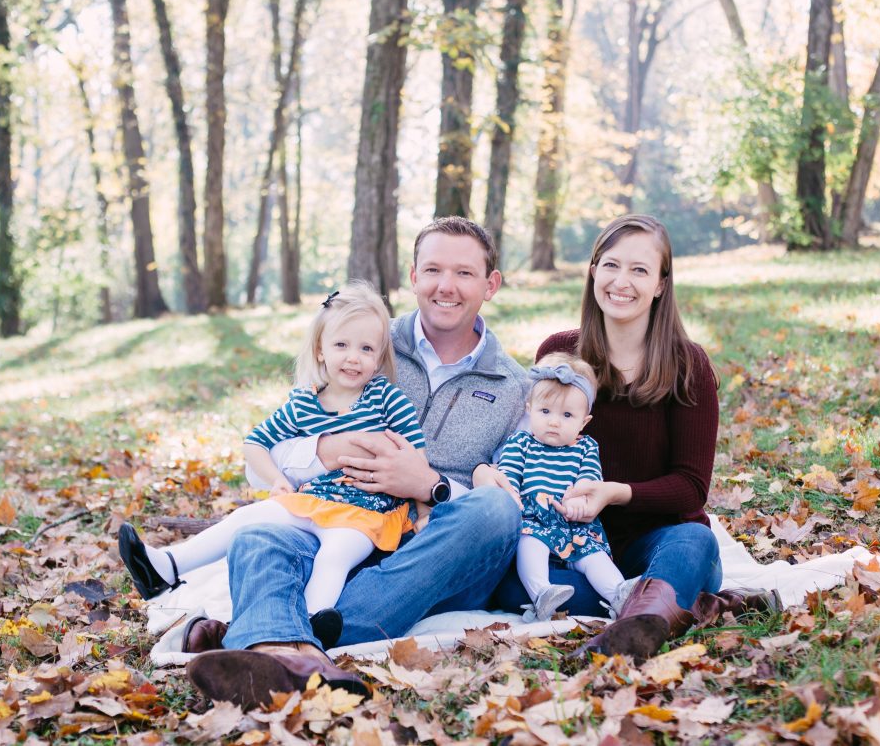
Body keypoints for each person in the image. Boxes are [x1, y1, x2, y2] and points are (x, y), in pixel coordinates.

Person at [184, 217, 529, 710]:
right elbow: (269, 449)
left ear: (490, 284)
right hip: (340, 527)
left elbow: (507, 502)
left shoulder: (514, 387)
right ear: (413, 276)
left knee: (495, 510)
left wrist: (430, 485)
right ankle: (295, 658)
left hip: (426, 555)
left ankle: (264, 628)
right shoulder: (359, 340)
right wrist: (329, 450)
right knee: (258, 536)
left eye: (464, 273)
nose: (445, 286)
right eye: (432, 269)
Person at [494, 214, 779, 660]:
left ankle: (628, 632)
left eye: (640, 270)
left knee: (697, 542)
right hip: (573, 545)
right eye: (611, 265)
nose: (621, 281)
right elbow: (528, 443)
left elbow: (690, 487)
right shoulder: (561, 353)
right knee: (510, 581)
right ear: (593, 272)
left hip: (662, 546)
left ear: (662, 284)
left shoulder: (688, 365)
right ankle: (698, 607)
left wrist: (613, 492)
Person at [118, 282, 430, 648]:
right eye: (341, 345)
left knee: (335, 556)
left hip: (369, 510)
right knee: (245, 518)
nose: (353, 357)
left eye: (366, 349)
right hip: (314, 500)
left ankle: (315, 623)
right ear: (320, 349)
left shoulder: (385, 398)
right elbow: (255, 443)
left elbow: (416, 460)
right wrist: (277, 480)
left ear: (379, 357)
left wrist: (422, 511)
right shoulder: (304, 404)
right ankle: (166, 566)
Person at [479, 352, 637, 623]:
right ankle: (542, 592)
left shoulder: (586, 447)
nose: (554, 421)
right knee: (531, 544)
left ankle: (619, 594)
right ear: (529, 409)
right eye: (545, 411)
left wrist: (580, 502)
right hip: (533, 517)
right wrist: (512, 497)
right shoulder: (521, 443)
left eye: (566, 415)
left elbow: (589, 480)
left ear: (584, 421)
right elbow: (509, 476)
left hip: (572, 521)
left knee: (593, 556)